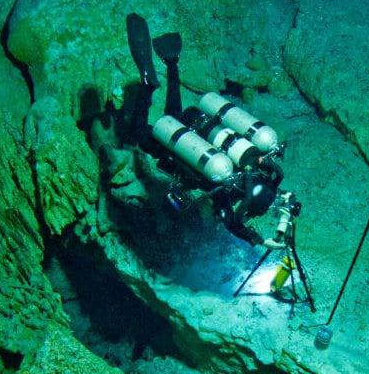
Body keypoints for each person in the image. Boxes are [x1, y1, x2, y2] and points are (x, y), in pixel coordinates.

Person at [124, 13, 291, 248]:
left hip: (200, 126)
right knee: (139, 134)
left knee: (176, 116)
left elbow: (280, 190)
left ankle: (172, 63)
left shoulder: (260, 167)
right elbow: (231, 222)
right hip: (182, 152)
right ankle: (147, 88)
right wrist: (260, 240)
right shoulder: (225, 189)